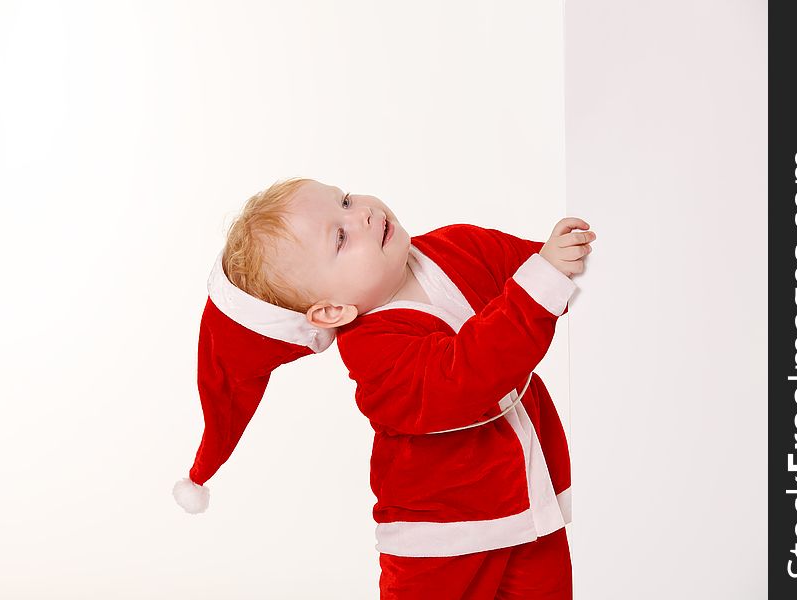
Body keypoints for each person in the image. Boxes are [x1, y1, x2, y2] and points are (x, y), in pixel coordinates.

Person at [173, 177, 595, 600]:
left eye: (345, 199)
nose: (362, 214)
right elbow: (470, 372)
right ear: (333, 309)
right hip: (439, 545)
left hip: (533, 507)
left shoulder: (458, 245)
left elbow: (545, 274)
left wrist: (561, 259)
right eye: (340, 237)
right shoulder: (375, 354)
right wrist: (545, 278)